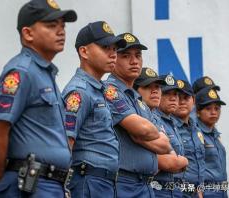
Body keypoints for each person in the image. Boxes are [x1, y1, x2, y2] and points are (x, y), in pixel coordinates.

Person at [0, 0, 77, 197]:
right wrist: (4, 180)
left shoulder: (44, 73)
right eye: (52, 26)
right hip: (29, 184)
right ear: (28, 33)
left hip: (51, 184)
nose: (61, 31)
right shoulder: (22, 71)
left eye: (63, 26)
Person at [62, 21, 125, 198]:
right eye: (106, 47)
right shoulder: (79, 91)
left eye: (114, 48)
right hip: (87, 182)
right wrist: (63, 186)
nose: (113, 54)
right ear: (84, 52)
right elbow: (67, 142)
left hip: (103, 182)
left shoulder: (100, 89)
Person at [105, 33, 171, 198]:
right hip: (124, 183)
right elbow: (143, 130)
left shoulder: (137, 98)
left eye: (138, 55)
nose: (134, 61)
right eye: (126, 56)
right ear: (113, 59)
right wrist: (146, 134)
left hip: (145, 184)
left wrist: (142, 136)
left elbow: (165, 145)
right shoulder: (110, 90)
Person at [135, 69, 189, 197]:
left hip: (175, 191)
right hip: (157, 190)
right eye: (167, 93)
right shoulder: (147, 118)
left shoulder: (172, 122)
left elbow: (173, 161)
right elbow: (167, 162)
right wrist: (184, 162)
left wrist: (177, 162)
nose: (173, 98)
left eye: (175, 94)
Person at [173, 79, 205, 198]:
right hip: (176, 191)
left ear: (194, 100)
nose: (181, 102)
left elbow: (200, 162)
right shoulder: (167, 127)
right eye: (178, 97)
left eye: (186, 98)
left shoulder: (196, 129)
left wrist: (199, 191)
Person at [195, 88, 228, 197]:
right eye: (208, 108)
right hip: (206, 192)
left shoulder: (215, 134)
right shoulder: (195, 133)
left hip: (221, 191)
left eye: (217, 108)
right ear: (198, 112)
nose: (213, 112)